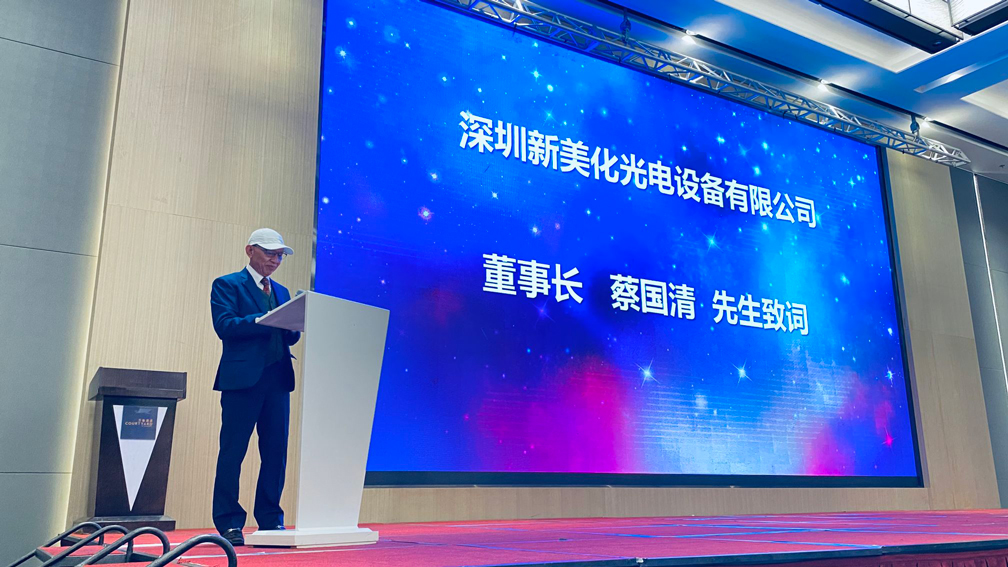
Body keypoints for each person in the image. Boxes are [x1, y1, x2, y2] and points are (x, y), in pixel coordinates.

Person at [210, 228, 301, 547]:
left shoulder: (282, 291)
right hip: (242, 380)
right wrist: (266, 319)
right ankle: (229, 522)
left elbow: (290, 336)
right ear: (250, 250)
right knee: (233, 451)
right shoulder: (227, 284)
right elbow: (225, 326)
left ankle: (271, 519)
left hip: (278, 379)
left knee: (276, 453)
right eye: (270, 253)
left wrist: (294, 323)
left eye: (280, 255)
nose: (276, 260)